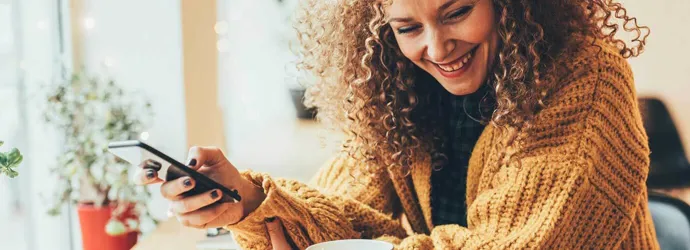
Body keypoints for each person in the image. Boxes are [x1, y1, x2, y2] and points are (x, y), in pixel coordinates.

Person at [136, 0, 657, 249]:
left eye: (457, 13)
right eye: (408, 27)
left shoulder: (585, 77)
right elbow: (346, 217)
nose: (435, 48)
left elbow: (516, 245)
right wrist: (246, 200)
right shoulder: (399, 89)